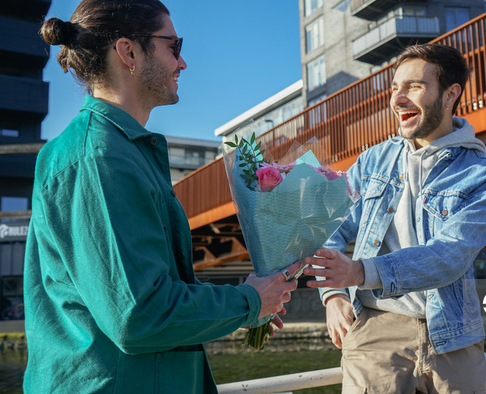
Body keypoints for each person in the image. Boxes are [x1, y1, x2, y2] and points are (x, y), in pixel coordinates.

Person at [24, 1, 299, 392]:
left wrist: (249, 303)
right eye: (174, 45)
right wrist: (247, 302)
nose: (182, 63)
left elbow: (149, 290)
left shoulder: (119, 150)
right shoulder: (100, 156)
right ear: (129, 52)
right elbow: (138, 315)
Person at [303, 43, 486, 393]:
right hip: (375, 329)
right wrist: (334, 294)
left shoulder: (485, 178)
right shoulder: (372, 161)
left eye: (413, 86)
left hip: (454, 331)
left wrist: (360, 271)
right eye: (395, 87)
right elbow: (329, 225)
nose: (397, 98)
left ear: (450, 94)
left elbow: (448, 255)